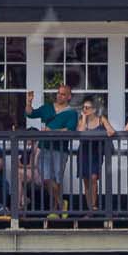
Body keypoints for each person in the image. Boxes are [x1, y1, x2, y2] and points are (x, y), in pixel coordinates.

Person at [26, 85, 80, 216]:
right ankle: (62, 203)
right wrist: (28, 101)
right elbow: (30, 114)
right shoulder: (47, 108)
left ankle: (55, 209)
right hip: (44, 147)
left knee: (57, 179)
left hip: (60, 150)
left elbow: (70, 130)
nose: (59, 96)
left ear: (68, 96)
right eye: (58, 93)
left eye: (62, 94)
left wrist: (52, 131)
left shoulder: (71, 113)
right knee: (46, 179)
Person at [77, 97, 114, 225]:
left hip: (96, 153)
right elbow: (80, 132)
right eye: (83, 108)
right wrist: (84, 118)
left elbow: (111, 130)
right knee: (86, 181)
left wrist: (107, 131)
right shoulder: (82, 120)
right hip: (84, 152)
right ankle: (90, 209)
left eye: (87, 108)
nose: (85, 110)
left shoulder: (101, 119)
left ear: (93, 109)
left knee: (93, 178)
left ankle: (93, 206)